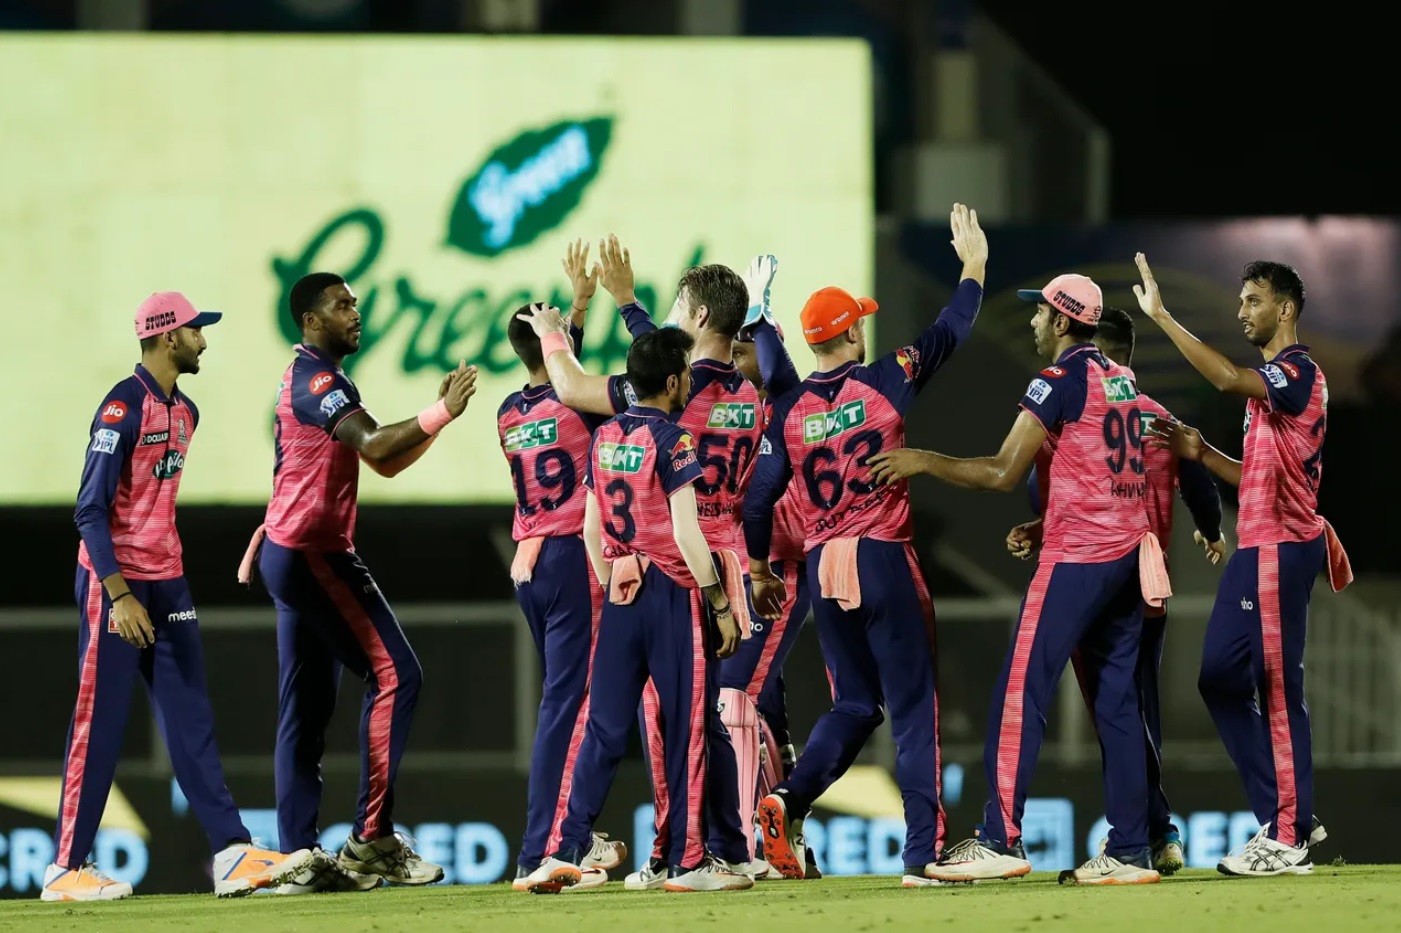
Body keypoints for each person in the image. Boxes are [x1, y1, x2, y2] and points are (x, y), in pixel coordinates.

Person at [870, 271, 1170, 886]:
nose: (1033, 321)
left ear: (1062, 322)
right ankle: (1132, 849)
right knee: (1116, 704)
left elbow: (1004, 470)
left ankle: (999, 837)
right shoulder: (1121, 376)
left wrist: (923, 459)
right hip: (1128, 553)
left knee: (1018, 691)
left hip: (1080, 558)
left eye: (1039, 314)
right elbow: (1106, 473)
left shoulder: (1057, 379)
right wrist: (1045, 519)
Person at [743, 203, 987, 887]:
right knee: (911, 708)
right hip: (880, 555)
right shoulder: (885, 379)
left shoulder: (789, 410)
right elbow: (951, 328)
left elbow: (760, 497)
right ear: (848, 332)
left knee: (853, 703)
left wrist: (760, 565)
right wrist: (972, 266)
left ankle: (788, 799)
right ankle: (921, 853)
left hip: (822, 567)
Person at [45, 293, 315, 902]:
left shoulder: (187, 410)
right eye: (197, 330)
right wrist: (118, 595)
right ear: (169, 337)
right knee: (101, 722)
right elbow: (88, 511)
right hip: (115, 585)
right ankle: (65, 868)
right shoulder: (122, 407)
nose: (204, 339)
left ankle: (231, 853)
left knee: (192, 719)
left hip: (168, 581)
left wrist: (155, 583)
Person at [525, 239, 762, 882]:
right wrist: (627, 305)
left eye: (681, 309)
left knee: (661, 725)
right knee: (701, 718)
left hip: (669, 568)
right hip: (721, 555)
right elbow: (667, 359)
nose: (671, 318)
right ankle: (725, 848)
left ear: (702, 321)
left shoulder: (642, 419)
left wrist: (556, 329)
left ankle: (659, 854)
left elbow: (575, 384)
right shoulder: (750, 391)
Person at [240, 272, 477, 892]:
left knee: (307, 709)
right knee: (399, 674)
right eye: (341, 304)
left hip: (290, 550)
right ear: (311, 320)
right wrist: (441, 411)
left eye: (354, 301)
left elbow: (385, 462)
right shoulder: (318, 380)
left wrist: (436, 422)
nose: (355, 310)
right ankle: (371, 839)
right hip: (313, 553)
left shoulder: (318, 377)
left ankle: (296, 856)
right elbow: (374, 445)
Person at [1133, 254, 1351, 876]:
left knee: (1279, 688)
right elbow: (1252, 474)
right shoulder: (1274, 387)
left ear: (1284, 309)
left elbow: (1228, 379)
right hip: (1257, 545)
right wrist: (1200, 453)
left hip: (1283, 547)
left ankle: (1286, 838)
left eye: (1252, 300)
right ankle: (1291, 812)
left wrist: (1163, 318)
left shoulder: (1298, 371)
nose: (1240, 311)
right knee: (1219, 678)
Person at [1004, 305, 1223, 875]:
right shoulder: (1155, 416)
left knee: (1111, 710)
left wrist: (1044, 519)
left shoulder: (1080, 406)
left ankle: (1144, 833)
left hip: (1090, 568)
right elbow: (1197, 475)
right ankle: (1155, 833)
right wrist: (1211, 529)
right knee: (1135, 710)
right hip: (1146, 578)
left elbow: (1038, 486)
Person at [501, 240, 628, 891]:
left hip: (528, 562)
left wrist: (574, 307)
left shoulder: (508, 412)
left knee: (564, 700)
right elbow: (574, 381)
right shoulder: (576, 399)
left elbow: (556, 370)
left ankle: (567, 831)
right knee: (573, 705)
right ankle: (549, 845)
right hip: (574, 555)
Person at [729, 314, 822, 880]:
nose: (741, 363)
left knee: (734, 697)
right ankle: (785, 834)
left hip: (780, 571)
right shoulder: (728, 410)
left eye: (750, 352)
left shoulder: (789, 405)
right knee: (765, 711)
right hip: (740, 572)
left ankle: (739, 842)